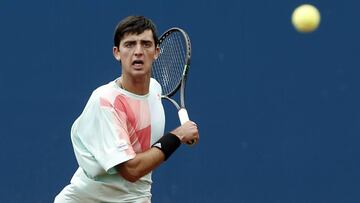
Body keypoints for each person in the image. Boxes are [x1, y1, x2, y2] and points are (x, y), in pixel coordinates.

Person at [54, 16, 199, 203]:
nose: (138, 52)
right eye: (129, 45)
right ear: (117, 52)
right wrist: (177, 136)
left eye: (146, 44)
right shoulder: (106, 101)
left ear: (156, 52)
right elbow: (131, 170)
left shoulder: (155, 89)